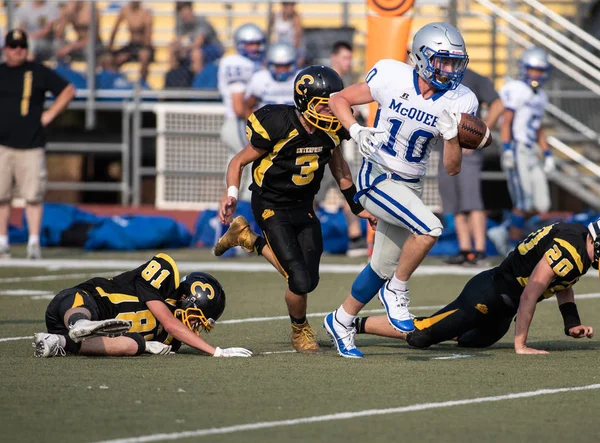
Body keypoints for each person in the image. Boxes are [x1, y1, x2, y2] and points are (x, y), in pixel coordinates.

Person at [323, 22, 478, 358]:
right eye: (443, 61)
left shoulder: (461, 99)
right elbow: (339, 99)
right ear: (422, 57)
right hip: (376, 177)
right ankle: (398, 289)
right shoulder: (391, 75)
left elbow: (452, 167)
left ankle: (342, 318)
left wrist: (451, 135)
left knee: (380, 266)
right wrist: (355, 130)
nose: (450, 69)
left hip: (410, 185)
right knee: (431, 228)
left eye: (455, 62)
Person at [215, 66, 376, 354]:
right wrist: (230, 195)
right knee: (299, 280)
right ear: (305, 101)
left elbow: (339, 165)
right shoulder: (278, 122)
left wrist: (356, 205)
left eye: (332, 102)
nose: (329, 109)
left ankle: (247, 238)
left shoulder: (333, 129)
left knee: (309, 280)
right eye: (322, 103)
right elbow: (238, 162)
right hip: (271, 204)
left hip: (304, 205)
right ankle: (299, 329)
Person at [352, 220, 596, 355]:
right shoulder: (570, 251)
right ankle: (349, 324)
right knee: (422, 336)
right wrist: (520, 345)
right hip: (487, 295)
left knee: (475, 340)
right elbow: (531, 293)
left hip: (503, 308)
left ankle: (441, 327)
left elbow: (563, 283)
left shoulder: (578, 238)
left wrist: (571, 323)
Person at [32, 253, 252, 358]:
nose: (194, 324)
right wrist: (217, 352)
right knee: (84, 304)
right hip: (79, 301)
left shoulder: (171, 341)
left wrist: (146, 346)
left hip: (91, 338)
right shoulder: (164, 276)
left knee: (133, 345)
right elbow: (169, 322)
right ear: (187, 299)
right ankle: (80, 324)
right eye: (196, 317)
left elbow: (171, 329)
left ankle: (57, 341)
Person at [0, 29, 75, 260]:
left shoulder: (37, 71)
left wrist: (49, 114)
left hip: (31, 144)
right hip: (2, 144)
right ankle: (2, 241)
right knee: (1, 196)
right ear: (6, 49)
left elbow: (68, 90)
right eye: (13, 46)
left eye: (22, 46)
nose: (18, 50)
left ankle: (34, 241)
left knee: (33, 196)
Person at [488, 47, 556, 256]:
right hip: (516, 147)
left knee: (543, 204)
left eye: (539, 70)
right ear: (524, 69)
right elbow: (507, 121)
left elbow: (538, 127)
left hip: (530, 150)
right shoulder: (516, 88)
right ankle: (514, 246)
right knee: (523, 201)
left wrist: (547, 153)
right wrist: (506, 148)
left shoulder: (541, 95)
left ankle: (503, 229)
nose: (536, 74)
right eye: (533, 69)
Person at [439, 68, 505, 266]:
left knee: (472, 202)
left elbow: (498, 103)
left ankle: (480, 250)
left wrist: (481, 132)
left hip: (467, 151)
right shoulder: (435, 76)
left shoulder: (474, 78)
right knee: (455, 204)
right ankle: (465, 249)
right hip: (444, 149)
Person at [314, 40, 367, 257]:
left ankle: (355, 238)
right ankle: (302, 237)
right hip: (318, 147)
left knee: (348, 188)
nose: (348, 62)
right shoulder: (323, 82)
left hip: (336, 147)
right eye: (345, 57)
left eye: (350, 58)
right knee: (312, 196)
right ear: (334, 57)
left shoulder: (344, 82)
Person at [217, 23, 265, 202]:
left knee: (234, 179)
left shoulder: (252, 63)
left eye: (257, 43)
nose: (255, 48)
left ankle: (225, 222)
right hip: (238, 123)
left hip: (238, 123)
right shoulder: (237, 63)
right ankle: (242, 219)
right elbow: (239, 106)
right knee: (249, 170)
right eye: (250, 44)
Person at [169, 2, 224, 75]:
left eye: (185, 12)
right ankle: (174, 78)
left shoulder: (202, 22)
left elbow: (198, 42)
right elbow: (177, 41)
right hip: (192, 49)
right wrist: (177, 48)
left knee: (196, 53)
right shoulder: (180, 24)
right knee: (173, 49)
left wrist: (184, 51)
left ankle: (198, 81)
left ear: (191, 10)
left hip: (213, 48)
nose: (183, 15)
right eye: (181, 12)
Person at [108, 1, 153, 81]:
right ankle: (115, 81)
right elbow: (115, 30)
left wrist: (130, 54)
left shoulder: (145, 13)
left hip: (143, 46)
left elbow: (147, 39)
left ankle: (143, 82)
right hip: (131, 45)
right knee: (111, 58)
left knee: (144, 55)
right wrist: (109, 48)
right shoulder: (125, 10)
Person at [245, 42, 297, 111]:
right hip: (266, 121)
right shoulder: (260, 78)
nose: (282, 70)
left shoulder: (300, 78)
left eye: (286, 65)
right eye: (278, 66)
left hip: (293, 121)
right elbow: (248, 107)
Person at [268, 2, 304, 66]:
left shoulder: (296, 18)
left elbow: (298, 37)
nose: (291, 8)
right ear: (284, 6)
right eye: (288, 5)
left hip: (291, 50)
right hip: (277, 48)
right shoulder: (276, 16)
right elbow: (270, 33)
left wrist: (297, 53)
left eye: (292, 5)